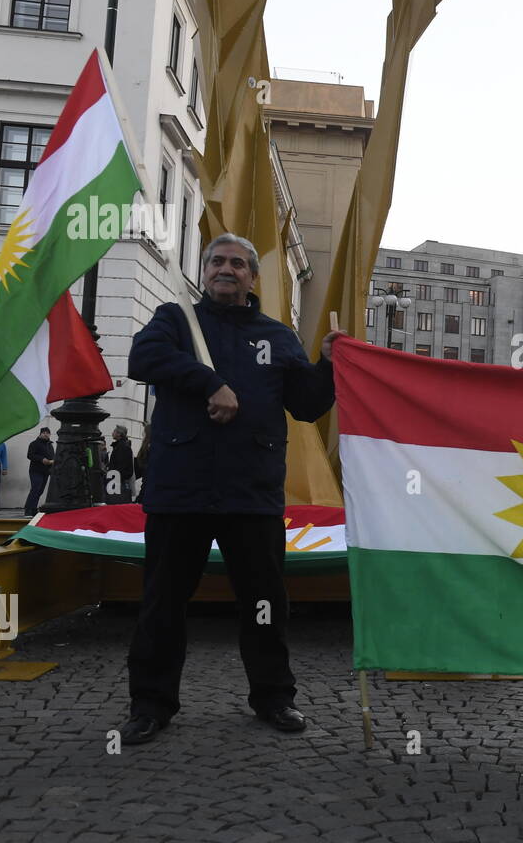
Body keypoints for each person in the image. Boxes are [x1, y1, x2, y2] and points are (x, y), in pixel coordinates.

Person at [120, 233, 349, 746]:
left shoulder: (278, 335)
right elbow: (144, 360)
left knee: (265, 602)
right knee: (163, 603)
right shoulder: (176, 320)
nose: (227, 269)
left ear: (252, 277)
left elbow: (308, 405)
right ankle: (150, 704)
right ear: (204, 271)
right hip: (181, 489)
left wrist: (330, 364)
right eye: (218, 262)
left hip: (252, 491)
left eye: (238, 264)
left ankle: (274, 697)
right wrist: (209, 383)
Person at [24, 427, 55, 516]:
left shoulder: (50, 445)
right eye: (44, 433)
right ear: (40, 434)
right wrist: (41, 459)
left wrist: (52, 461)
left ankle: (33, 509)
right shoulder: (34, 444)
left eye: (48, 433)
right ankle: (28, 509)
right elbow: (30, 455)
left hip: (46, 471)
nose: (46, 434)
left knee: (40, 490)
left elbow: (52, 456)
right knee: (35, 489)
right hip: (36, 471)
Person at [109, 425, 134, 504]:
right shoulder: (120, 446)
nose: (112, 433)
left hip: (118, 481)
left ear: (119, 434)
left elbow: (120, 466)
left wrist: (114, 477)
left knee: (117, 503)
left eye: (114, 431)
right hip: (118, 480)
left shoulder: (122, 447)